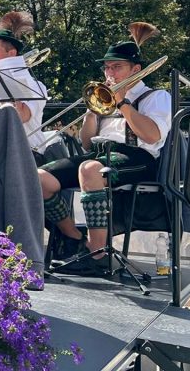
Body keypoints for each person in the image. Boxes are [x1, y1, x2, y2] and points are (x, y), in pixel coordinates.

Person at [40, 22, 171, 275]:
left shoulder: (156, 97)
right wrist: (92, 113)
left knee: (90, 169)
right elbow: (87, 143)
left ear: (136, 70)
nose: (110, 73)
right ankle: (75, 238)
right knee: (38, 178)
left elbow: (153, 136)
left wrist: (122, 103)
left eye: (117, 67)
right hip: (100, 155)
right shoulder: (105, 98)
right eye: (107, 67)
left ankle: (97, 254)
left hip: (139, 157)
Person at [0, 11, 51, 164]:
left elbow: (21, 116)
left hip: (28, 154)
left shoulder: (36, 86)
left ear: (12, 54)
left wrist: (11, 90)